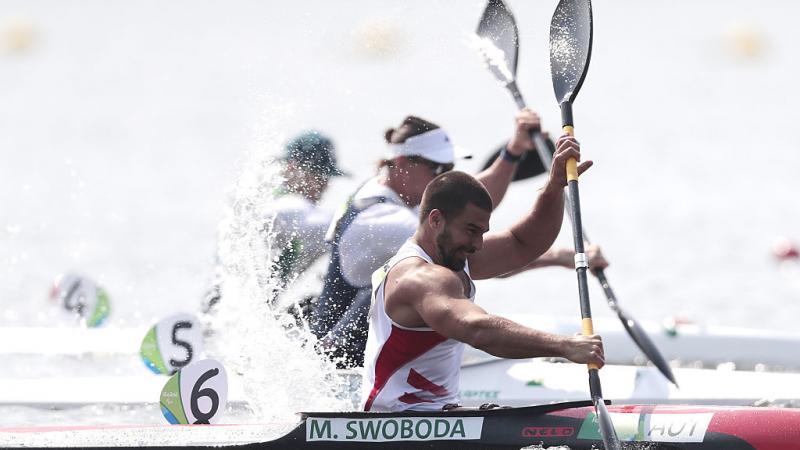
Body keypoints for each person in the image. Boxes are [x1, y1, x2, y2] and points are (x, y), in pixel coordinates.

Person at [361, 138, 604, 412]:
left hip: (435, 416)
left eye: (482, 232)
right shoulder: (420, 278)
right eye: (471, 230)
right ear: (436, 220)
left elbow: (523, 243)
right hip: (397, 425)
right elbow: (478, 330)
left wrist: (554, 186)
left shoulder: (452, 254)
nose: (477, 244)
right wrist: (566, 346)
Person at [310, 110, 545, 368]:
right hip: (341, 362)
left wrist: (513, 151)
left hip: (375, 346)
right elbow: (477, 255)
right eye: (437, 168)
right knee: (437, 282)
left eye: (450, 168)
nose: (444, 178)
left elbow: (474, 199)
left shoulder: (393, 191)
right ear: (401, 163)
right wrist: (564, 257)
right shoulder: (381, 220)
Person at [201, 130, 347, 314]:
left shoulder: (274, 201)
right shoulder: (285, 205)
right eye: (318, 174)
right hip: (228, 311)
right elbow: (317, 223)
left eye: (327, 177)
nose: (325, 185)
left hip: (238, 309)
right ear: (291, 168)